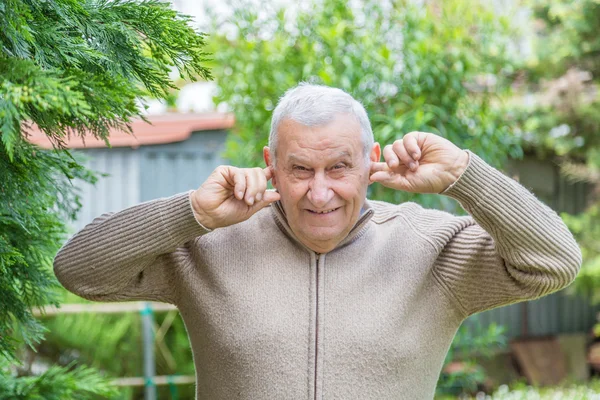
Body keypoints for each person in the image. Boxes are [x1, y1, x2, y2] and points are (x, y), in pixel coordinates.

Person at [54, 83, 581, 399]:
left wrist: (465, 175)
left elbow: (554, 262)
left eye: (339, 167)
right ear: (271, 168)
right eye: (300, 168)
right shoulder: (211, 244)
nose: (320, 191)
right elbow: (80, 270)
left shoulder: (429, 247)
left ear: (371, 161)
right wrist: (191, 212)